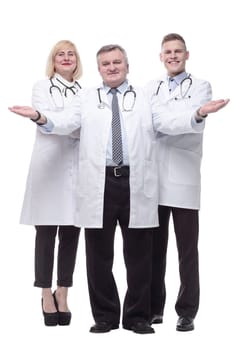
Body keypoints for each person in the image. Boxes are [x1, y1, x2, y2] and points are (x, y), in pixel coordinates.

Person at [9, 44, 229, 334]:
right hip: (99, 182)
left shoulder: (145, 98)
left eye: (117, 62)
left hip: (134, 181)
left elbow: (168, 122)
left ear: (127, 65)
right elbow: (66, 123)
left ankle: (137, 317)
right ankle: (105, 317)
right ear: (99, 69)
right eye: (105, 64)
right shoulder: (86, 98)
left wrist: (198, 113)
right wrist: (41, 117)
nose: (112, 67)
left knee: (139, 254)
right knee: (98, 254)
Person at [146, 33, 222, 332]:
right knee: (154, 248)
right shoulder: (152, 88)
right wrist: (191, 115)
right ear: (161, 56)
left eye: (178, 51)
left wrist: (193, 115)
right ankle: (154, 308)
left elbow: (178, 125)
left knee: (187, 250)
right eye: (168, 52)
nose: (173, 56)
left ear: (187, 55)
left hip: (184, 177)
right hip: (155, 179)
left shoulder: (201, 86)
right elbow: (154, 121)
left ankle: (187, 311)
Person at [18, 40, 83, 326]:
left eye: (71, 54)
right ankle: (45, 293)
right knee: (45, 235)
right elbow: (62, 122)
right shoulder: (42, 87)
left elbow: (78, 123)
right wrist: (48, 119)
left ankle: (64, 292)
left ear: (77, 60)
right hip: (48, 168)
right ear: (53, 61)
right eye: (61, 54)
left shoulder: (86, 92)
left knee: (71, 235)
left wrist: (57, 121)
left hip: (76, 170)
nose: (66, 58)